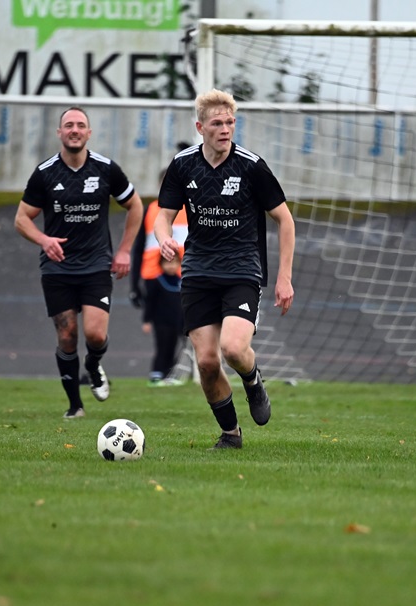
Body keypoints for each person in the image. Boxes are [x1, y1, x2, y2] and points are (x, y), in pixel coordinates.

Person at [152, 89, 296, 450]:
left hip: (242, 271)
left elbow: (285, 220)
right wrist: (164, 238)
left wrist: (284, 277)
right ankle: (231, 434)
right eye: (217, 123)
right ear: (200, 127)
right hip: (198, 273)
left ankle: (253, 380)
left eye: (230, 122)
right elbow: (162, 217)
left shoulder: (251, 166)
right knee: (206, 361)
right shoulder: (183, 165)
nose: (225, 129)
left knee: (233, 348)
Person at [15, 106, 144, 418]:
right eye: (69, 125)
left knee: (96, 335)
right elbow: (21, 219)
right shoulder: (45, 173)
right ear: (60, 132)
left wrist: (124, 251)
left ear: (89, 133)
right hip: (57, 268)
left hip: (96, 266)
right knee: (67, 336)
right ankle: (75, 406)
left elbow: (136, 206)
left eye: (80, 125)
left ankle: (94, 364)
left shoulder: (106, 169)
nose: (75, 130)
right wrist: (44, 240)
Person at [130, 150, 191, 387]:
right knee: (163, 328)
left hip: (186, 280)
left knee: (186, 329)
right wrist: (134, 285)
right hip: (155, 279)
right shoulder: (151, 210)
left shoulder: (191, 209)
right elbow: (138, 248)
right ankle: (160, 371)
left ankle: (181, 370)